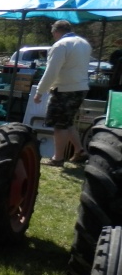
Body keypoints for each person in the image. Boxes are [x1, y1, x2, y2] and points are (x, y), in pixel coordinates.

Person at [33, 20, 92, 166]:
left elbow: (51, 71)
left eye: (53, 33)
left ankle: (57, 158)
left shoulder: (61, 45)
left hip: (65, 89)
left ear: (56, 31)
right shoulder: (84, 43)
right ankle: (79, 151)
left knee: (60, 124)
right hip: (81, 87)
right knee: (68, 121)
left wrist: (39, 91)